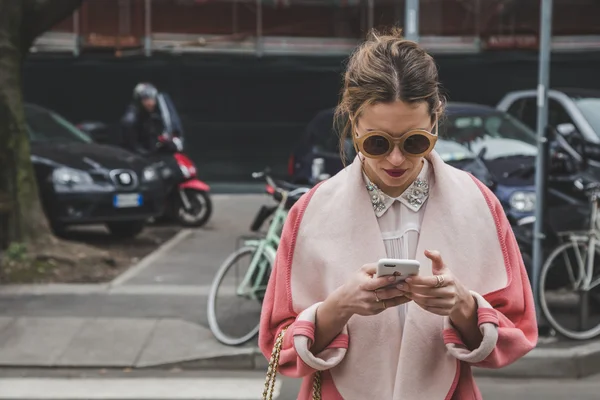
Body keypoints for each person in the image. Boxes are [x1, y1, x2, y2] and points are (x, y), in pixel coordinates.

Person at [258, 28, 537, 400]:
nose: (395, 159)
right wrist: (337, 309)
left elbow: (518, 328)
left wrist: (463, 306)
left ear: (435, 121)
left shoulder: (478, 204)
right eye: (376, 142)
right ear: (353, 123)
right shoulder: (310, 212)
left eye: (414, 142)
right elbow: (277, 344)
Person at [120, 83, 170, 155]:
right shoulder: (130, 120)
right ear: (139, 100)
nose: (151, 103)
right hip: (134, 160)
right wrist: (150, 154)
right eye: (146, 99)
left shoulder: (150, 116)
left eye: (152, 98)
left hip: (148, 157)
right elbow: (132, 147)